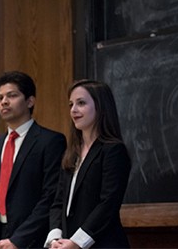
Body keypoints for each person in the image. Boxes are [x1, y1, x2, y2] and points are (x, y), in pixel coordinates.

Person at [0, 71, 67, 249]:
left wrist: (18, 240)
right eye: (0, 98)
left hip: (32, 240)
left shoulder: (50, 141)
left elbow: (50, 197)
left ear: (30, 101)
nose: (4, 102)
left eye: (12, 95)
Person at [44, 79, 131, 249]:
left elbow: (108, 203)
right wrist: (55, 236)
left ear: (101, 107)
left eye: (81, 103)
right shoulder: (72, 152)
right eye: (71, 104)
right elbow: (58, 202)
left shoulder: (113, 150)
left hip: (103, 243)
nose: (73, 110)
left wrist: (76, 242)